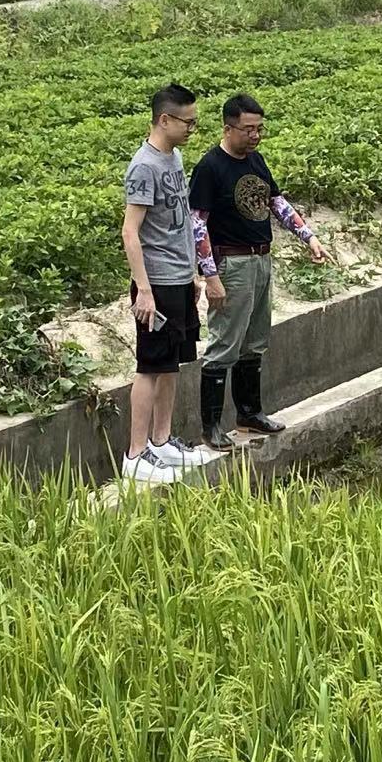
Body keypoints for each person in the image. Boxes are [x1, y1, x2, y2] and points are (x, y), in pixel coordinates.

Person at [189, 93, 328, 451]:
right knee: (224, 344)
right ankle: (211, 427)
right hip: (231, 263)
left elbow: (276, 203)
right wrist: (210, 276)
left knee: (255, 341)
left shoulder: (257, 161)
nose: (255, 136)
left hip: (261, 258)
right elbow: (197, 226)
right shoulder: (210, 168)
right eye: (248, 129)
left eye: (259, 129)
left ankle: (249, 412)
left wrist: (308, 237)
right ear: (228, 128)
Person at [121, 83, 219, 483]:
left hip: (178, 277)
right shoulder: (144, 166)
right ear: (165, 119)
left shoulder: (174, 157)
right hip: (156, 282)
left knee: (173, 363)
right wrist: (143, 289)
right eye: (188, 122)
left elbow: (182, 223)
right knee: (150, 365)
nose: (192, 129)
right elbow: (131, 232)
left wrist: (194, 272)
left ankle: (161, 443)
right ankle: (136, 454)